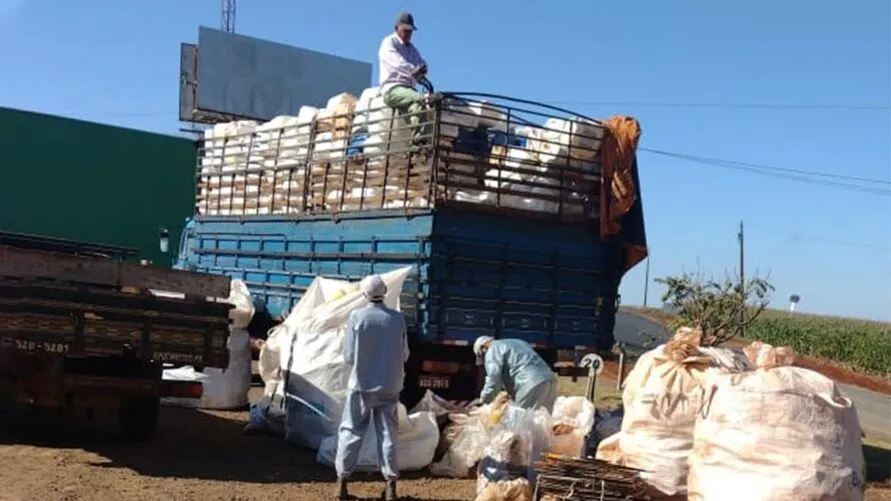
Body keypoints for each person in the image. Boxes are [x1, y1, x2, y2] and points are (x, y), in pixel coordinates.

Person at [334, 275, 409, 501]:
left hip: (361, 386)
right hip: (390, 386)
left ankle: (342, 484)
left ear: (364, 293)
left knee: (351, 432)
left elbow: (348, 356)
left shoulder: (357, 317)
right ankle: (390, 487)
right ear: (384, 291)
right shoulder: (398, 319)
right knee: (388, 436)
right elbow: (404, 353)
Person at [378, 11, 432, 144]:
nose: (408, 34)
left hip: (408, 90)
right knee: (419, 99)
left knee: (417, 107)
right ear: (397, 28)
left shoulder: (412, 49)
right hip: (392, 89)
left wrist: (423, 69)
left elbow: (422, 63)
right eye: (405, 30)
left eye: (410, 31)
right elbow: (398, 64)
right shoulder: (389, 43)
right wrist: (415, 70)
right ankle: (419, 140)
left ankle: (418, 144)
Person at [473, 336, 559, 412]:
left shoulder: (492, 350)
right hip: (550, 380)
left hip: (529, 383)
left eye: (482, 355)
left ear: (483, 348)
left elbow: (493, 379)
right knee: (542, 422)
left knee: (519, 423)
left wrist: (484, 400)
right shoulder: (518, 342)